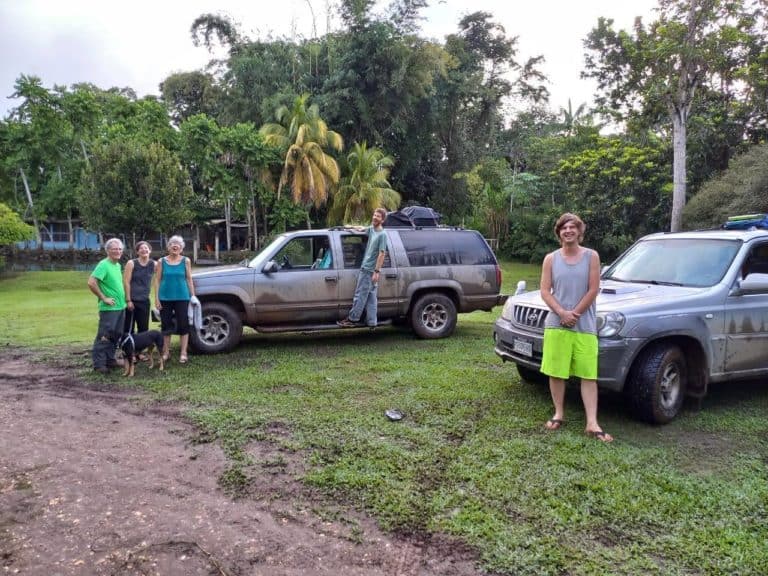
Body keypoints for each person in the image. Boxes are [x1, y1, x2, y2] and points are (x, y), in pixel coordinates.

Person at [539, 213, 613, 442]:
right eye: (564, 228)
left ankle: (592, 422)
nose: (568, 231)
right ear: (559, 233)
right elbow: (544, 291)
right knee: (556, 371)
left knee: (588, 373)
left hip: (585, 325)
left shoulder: (591, 256)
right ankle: (559, 413)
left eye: (573, 227)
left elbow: (593, 289)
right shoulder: (550, 259)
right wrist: (562, 313)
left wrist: (575, 314)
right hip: (557, 324)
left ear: (579, 232)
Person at [337, 207, 388, 328]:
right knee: (371, 297)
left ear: (382, 220)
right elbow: (361, 228)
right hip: (368, 269)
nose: (375, 217)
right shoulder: (372, 230)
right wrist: (349, 227)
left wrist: (376, 271)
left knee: (360, 295)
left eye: (378, 216)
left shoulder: (382, 234)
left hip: (369, 270)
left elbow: (382, 253)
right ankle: (372, 322)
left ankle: (352, 319)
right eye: (374, 215)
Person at [154, 235, 195, 363]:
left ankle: (183, 353)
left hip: (182, 297)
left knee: (183, 324)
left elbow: (189, 279)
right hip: (165, 298)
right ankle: (166, 352)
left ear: (182, 248)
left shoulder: (186, 261)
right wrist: (156, 298)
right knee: (166, 325)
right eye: (172, 243)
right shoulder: (161, 261)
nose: (175, 245)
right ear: (168, 247)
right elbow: (157, 280)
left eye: (178, 244)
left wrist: (193, 296)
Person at [88, 238, 126, 374]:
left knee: (115, 335)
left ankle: (110, 360)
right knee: (104, 336)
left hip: (120, 306)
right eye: (115, 249)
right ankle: (99, 364)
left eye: (120, 249)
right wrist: (103, 297)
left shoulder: (117, 265)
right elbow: (92, 282)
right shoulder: (103, 264)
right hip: (109, 308)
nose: (118, 251)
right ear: (108, 250)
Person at [123, 241, 156, 336]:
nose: (144, 250)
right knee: (128, 328)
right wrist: (128, 300)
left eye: (146, 248)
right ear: (137, 252)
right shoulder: (131, 263)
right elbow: (126, 282)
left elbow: (162, 277)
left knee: (143, 328)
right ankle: (128, 349)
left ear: (150, 250)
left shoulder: (154, 264)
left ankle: (140, 349)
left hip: (144, 301)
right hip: (132, 301)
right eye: (141, 248)